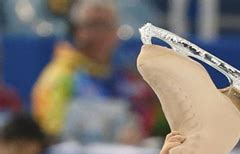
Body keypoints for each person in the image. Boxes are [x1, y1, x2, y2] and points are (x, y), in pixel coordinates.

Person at [31, 0, 166, 143]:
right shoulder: (59, 76)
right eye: (93, 25)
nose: (101, 34)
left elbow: (159, 126)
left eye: (107, 26)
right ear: (76, 31)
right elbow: (50, 134)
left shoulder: (131, 78)